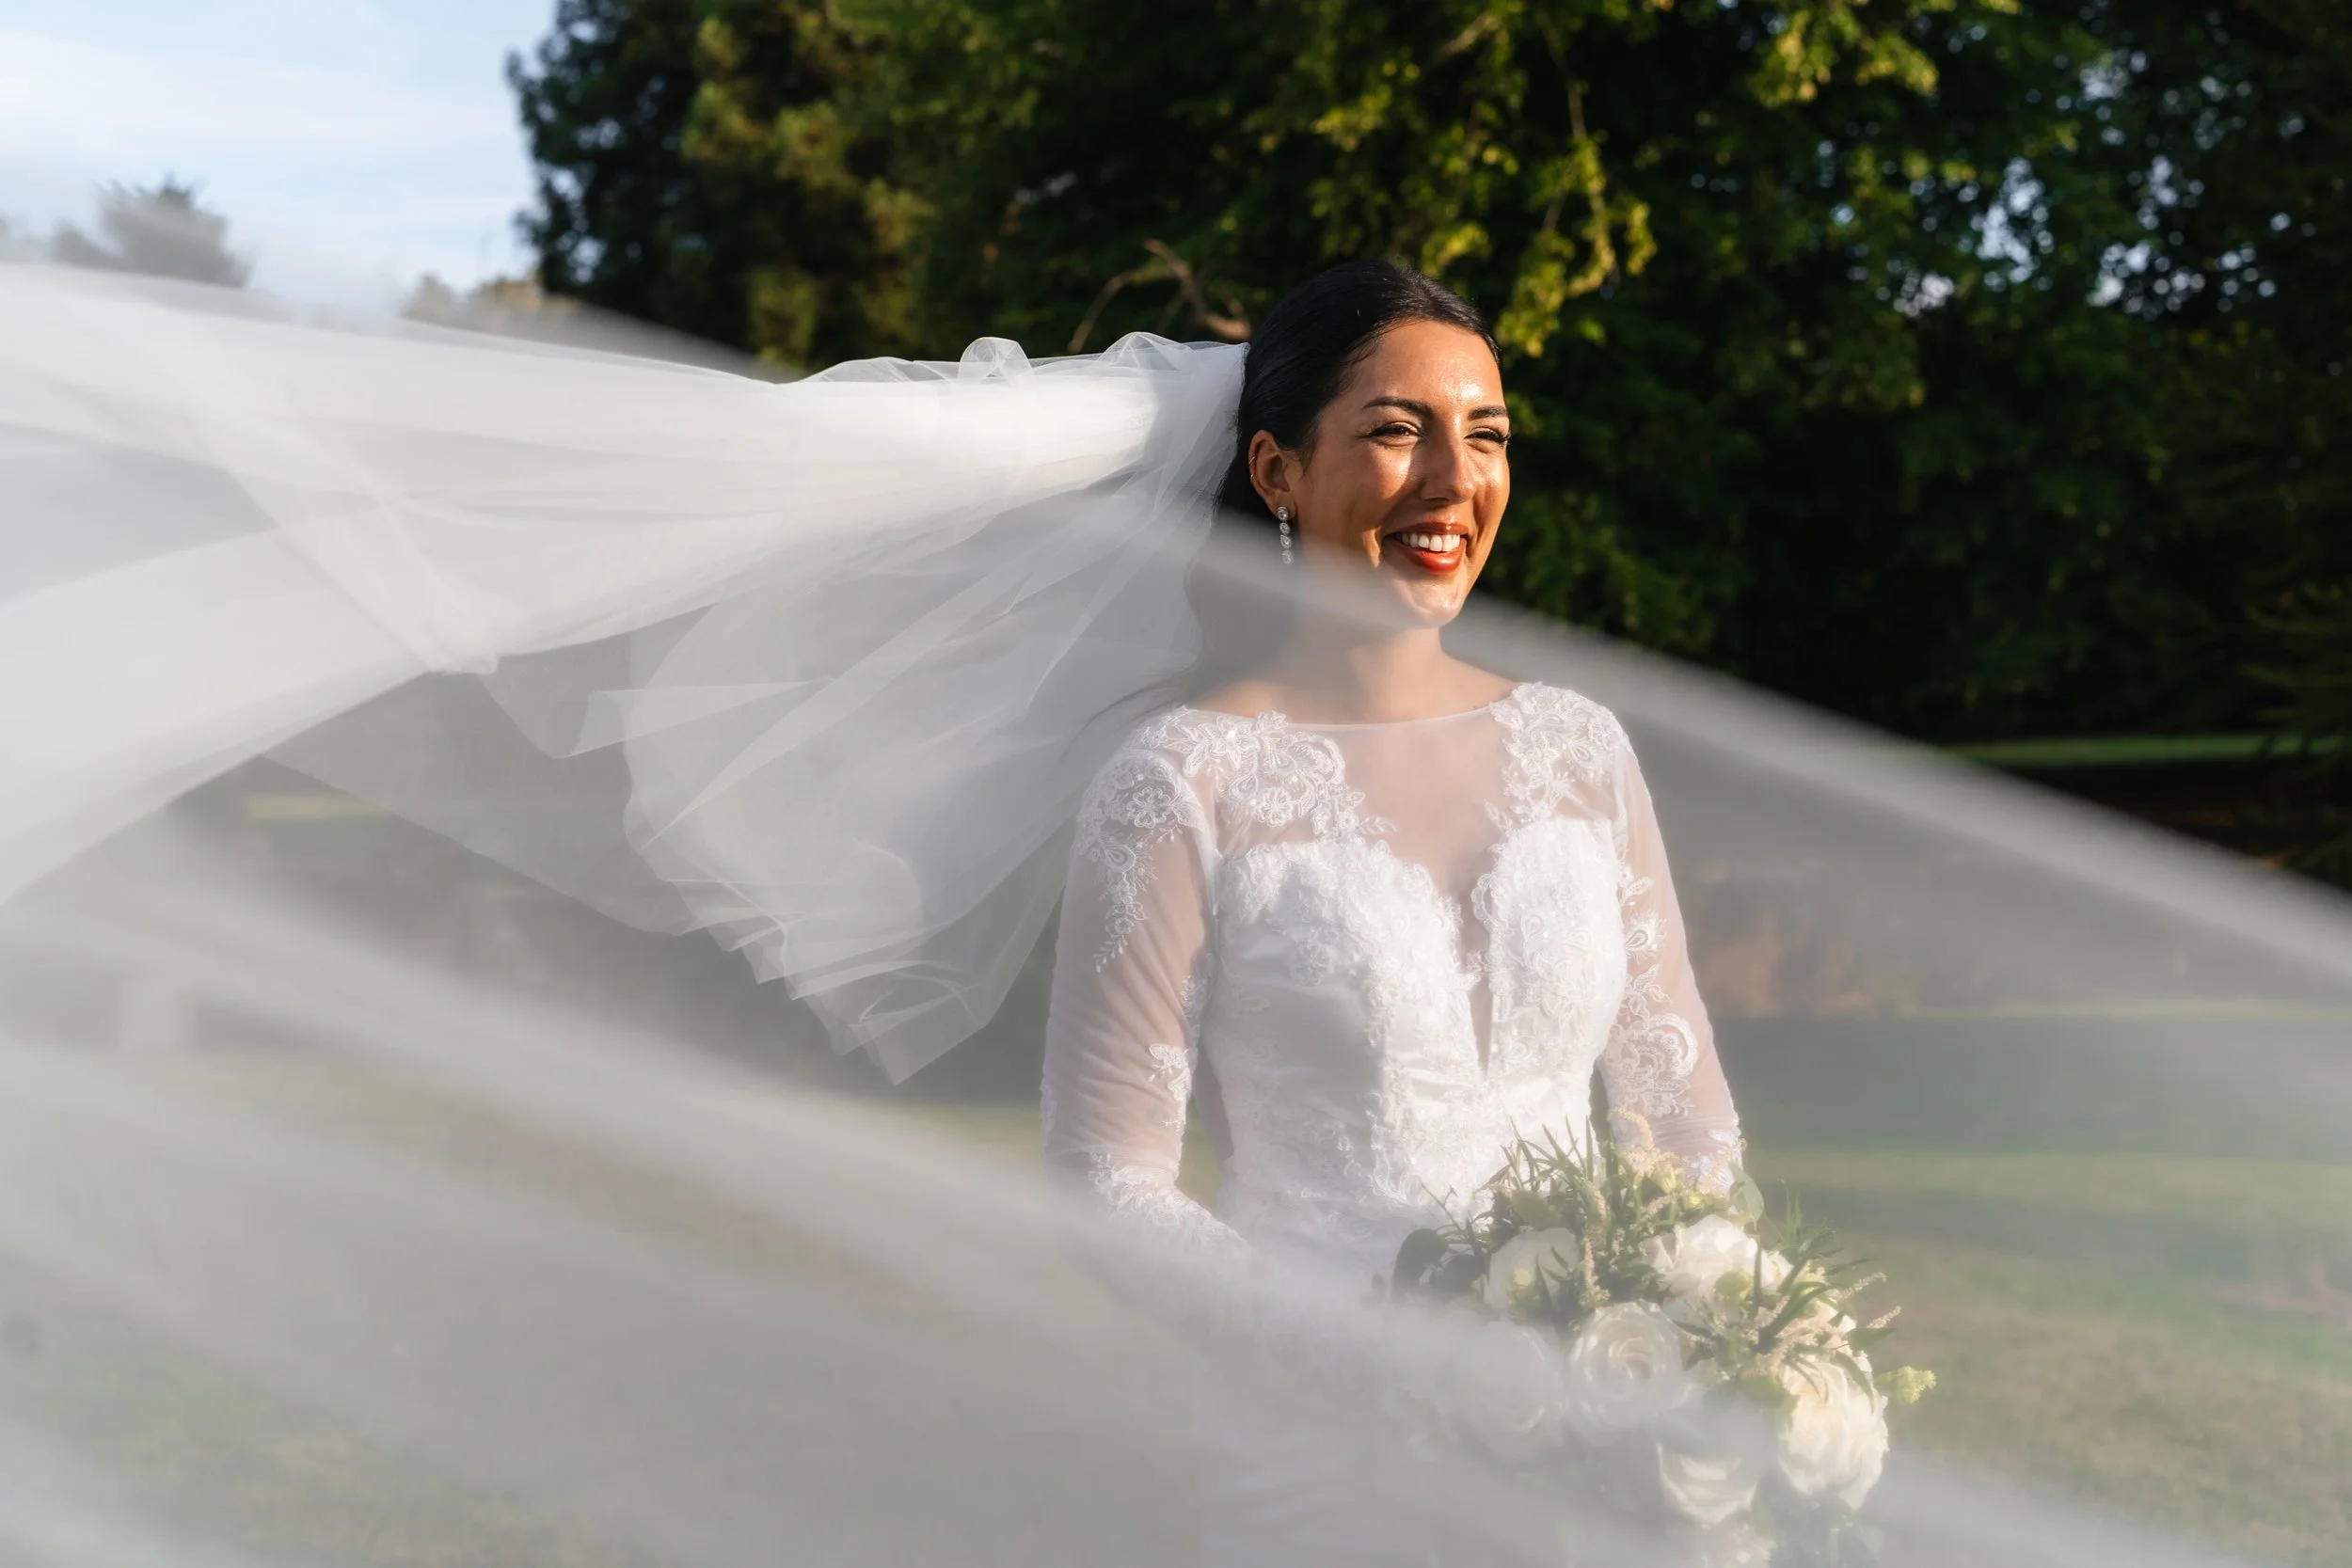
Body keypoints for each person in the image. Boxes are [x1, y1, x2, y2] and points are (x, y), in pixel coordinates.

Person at [1040, 261, 1744, 1566]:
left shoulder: (1581, 751)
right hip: (1324, 1459)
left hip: (1606, 1442)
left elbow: (1682, 1110)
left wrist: (1697, 1324)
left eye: (1487, 435)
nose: (1452, 478)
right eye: (1393, 429)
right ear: (1277, 471)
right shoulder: (1177, 786)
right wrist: (1390, 1358)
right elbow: (1105, 1179)